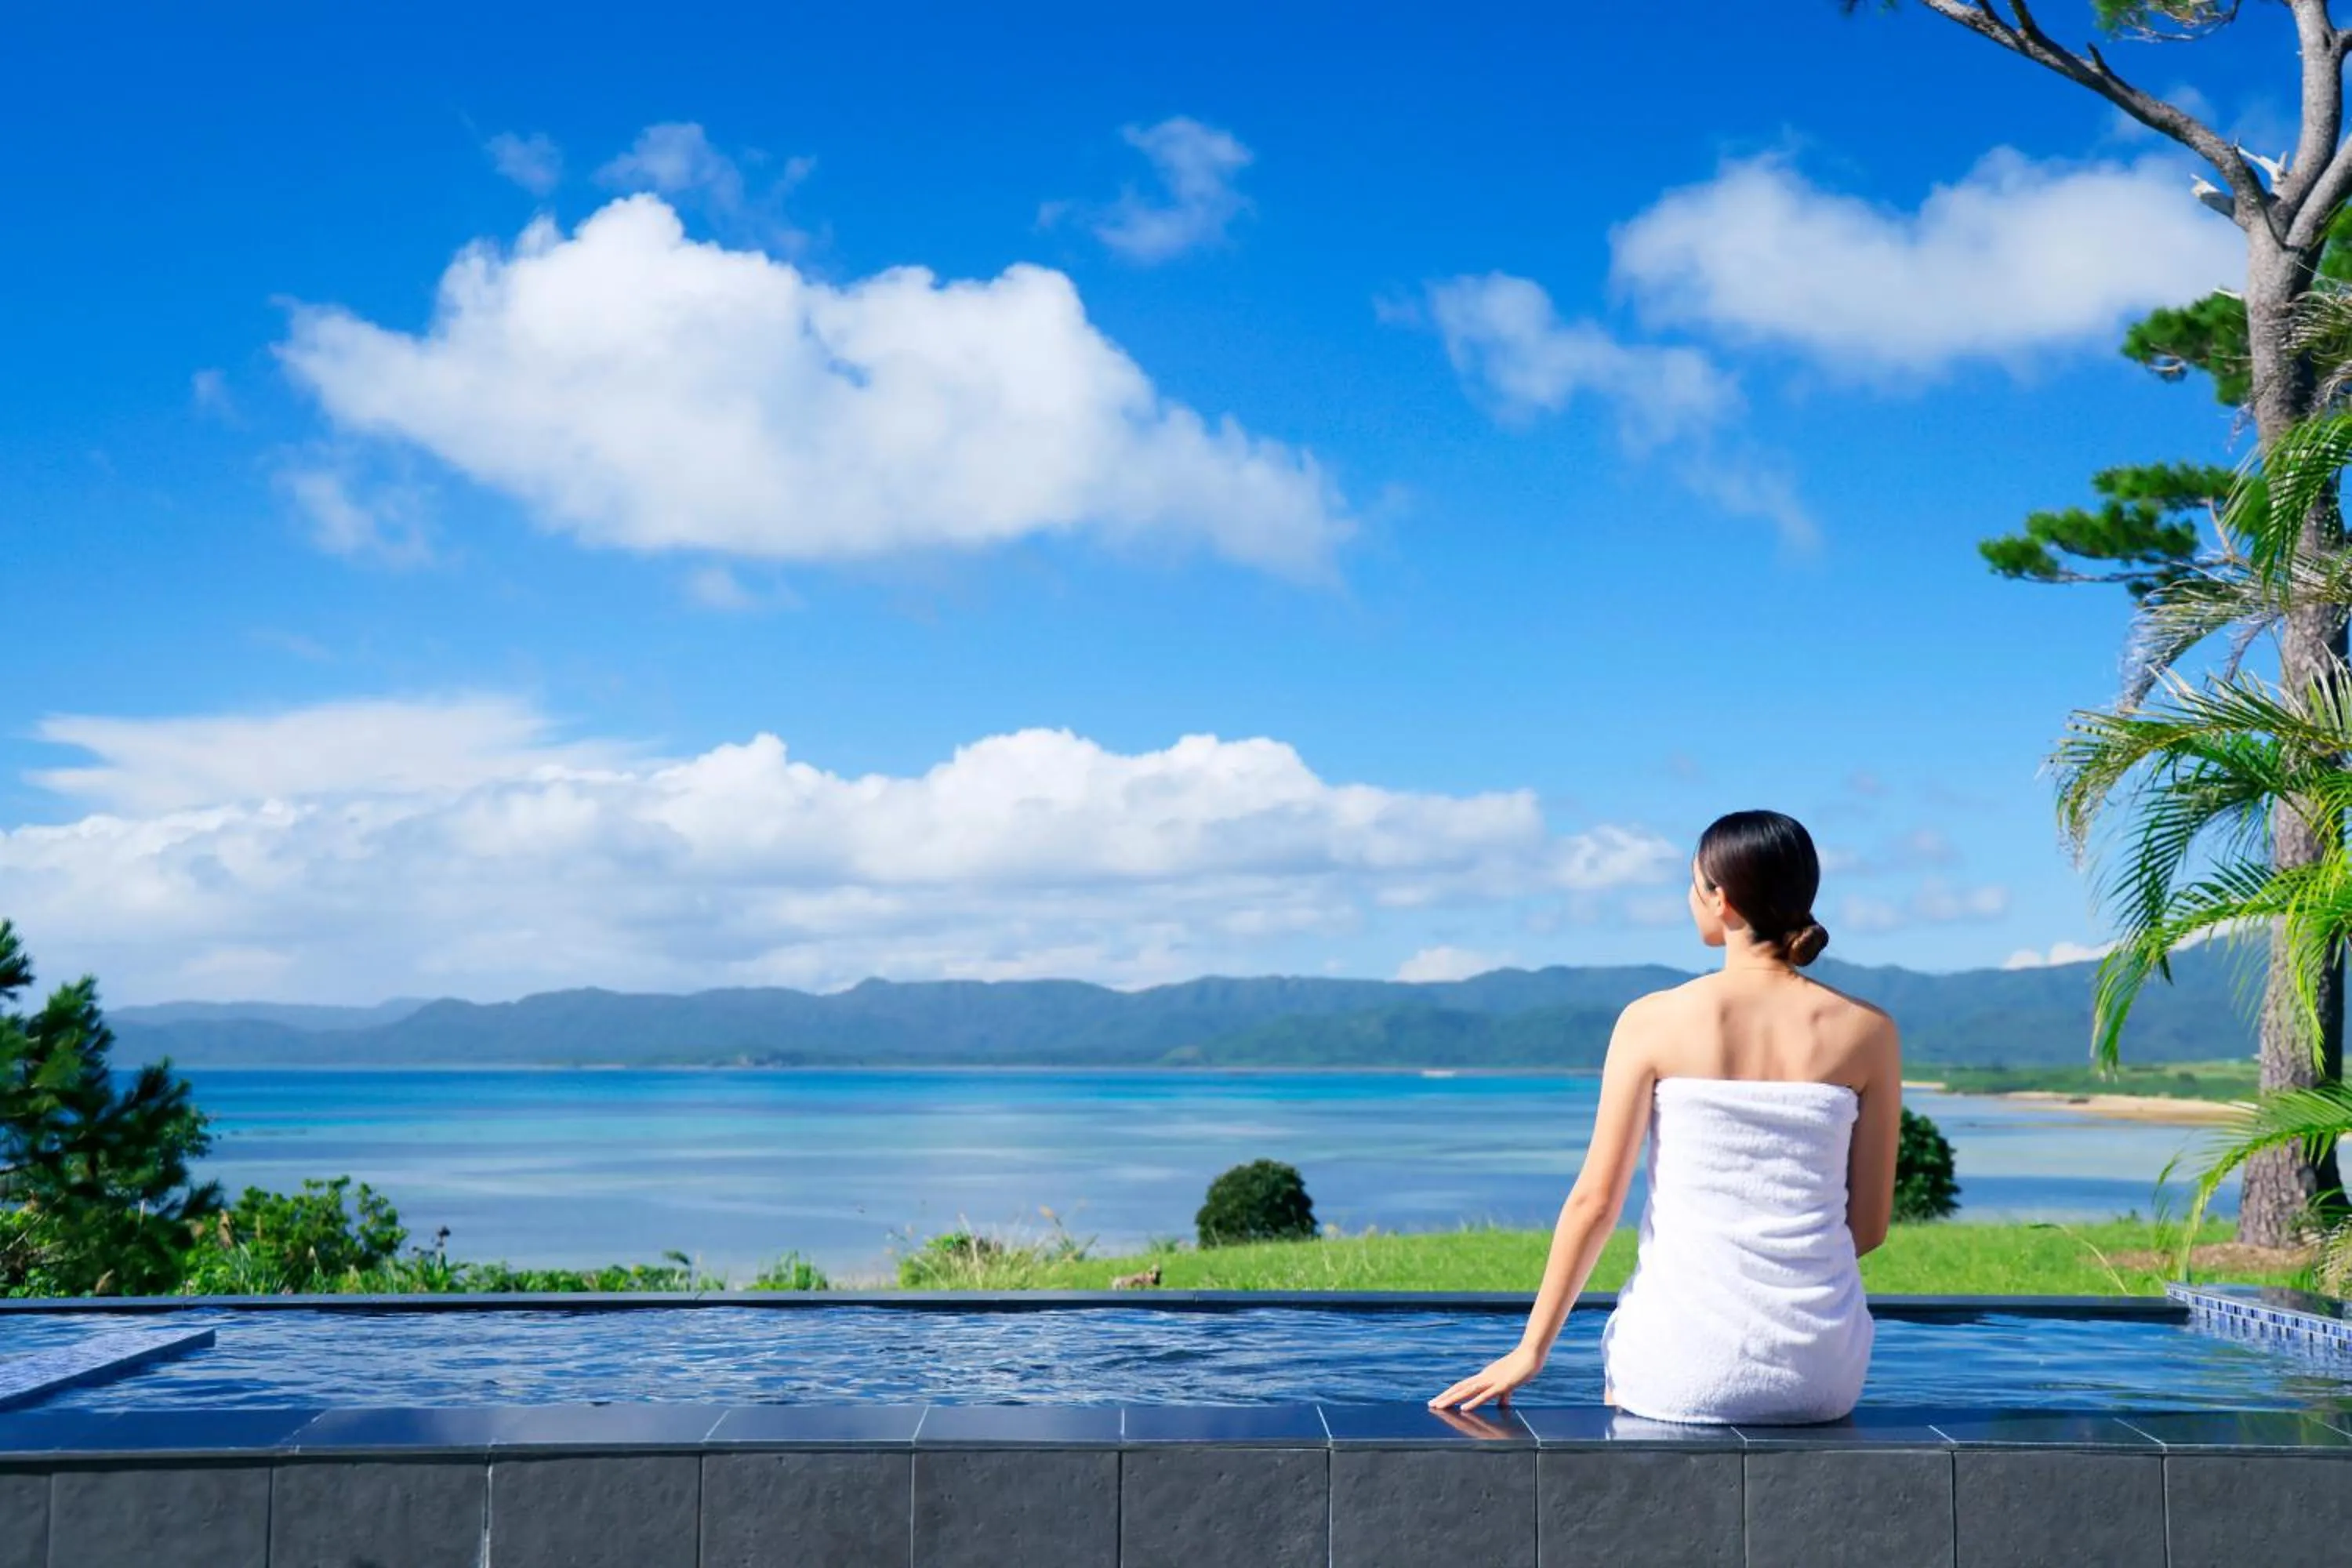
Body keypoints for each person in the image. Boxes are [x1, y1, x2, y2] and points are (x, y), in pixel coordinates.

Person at [1430, 808, 1900, 1424]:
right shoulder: (1869, 1032)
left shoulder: (1653, 1020)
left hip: (1683, 1365)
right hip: (1822, 1372)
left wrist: (1530, 1350)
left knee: (1639, 1369)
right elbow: (1866, 1228)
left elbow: (1595, 1203)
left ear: (1721, 900)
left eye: (1693, 884)